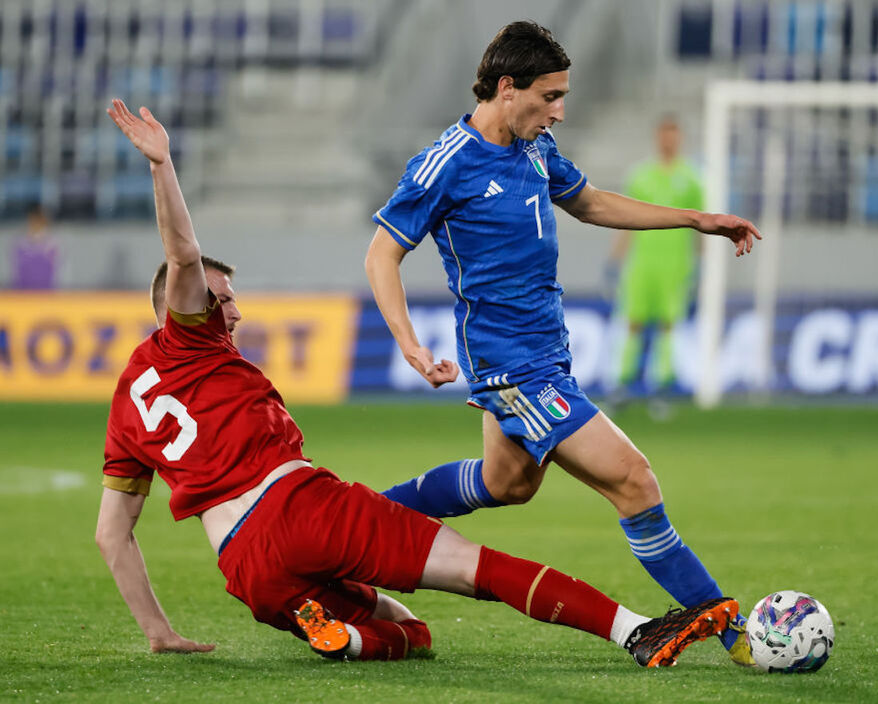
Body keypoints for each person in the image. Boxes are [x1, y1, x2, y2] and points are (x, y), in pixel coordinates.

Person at [95, 98, 740, 667]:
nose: (232, 310)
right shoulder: (191, 334)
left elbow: (111, 533)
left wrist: (159, 632)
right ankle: (667, 630)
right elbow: (186, 254)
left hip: (247, 566)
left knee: (427, 604)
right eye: (221, 300)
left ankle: (349, 632)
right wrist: (161, 164)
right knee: (589, 504)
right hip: (461, 406)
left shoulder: (128, 403)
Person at [365, 21, 761, 666]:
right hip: (511, 367)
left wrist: (696, 219)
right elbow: (382, 254)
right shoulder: (445, 163)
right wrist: (409, 343)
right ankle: (736, 633)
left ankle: (353, 523)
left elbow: (592, 203)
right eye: (549, 97)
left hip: (548, 356)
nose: (559, 111)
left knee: (507, 483)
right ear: (505, 87)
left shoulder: (536, 148)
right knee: (634, 480)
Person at [607, 116, 703, 415]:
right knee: (633, 323)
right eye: (664, 135)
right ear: (657, 137)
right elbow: (625, 220)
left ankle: (661, 390)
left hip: (675, 265)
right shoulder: (641, 175)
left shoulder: (693, 178)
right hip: (641, 264)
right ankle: (621, 386)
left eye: (673, 135)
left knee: (668, 327)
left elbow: (702, 224)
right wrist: (616, 258)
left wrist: (701, 265)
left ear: (680, 138)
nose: (668, 141)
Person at [10, 204, 58, 289]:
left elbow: (58, 273)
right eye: (33, 219)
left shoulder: (53, 243)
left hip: (46, 293)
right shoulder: (19, 242)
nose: (36, 223)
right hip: (23, 293)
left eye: (40, 219)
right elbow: (15, 271)